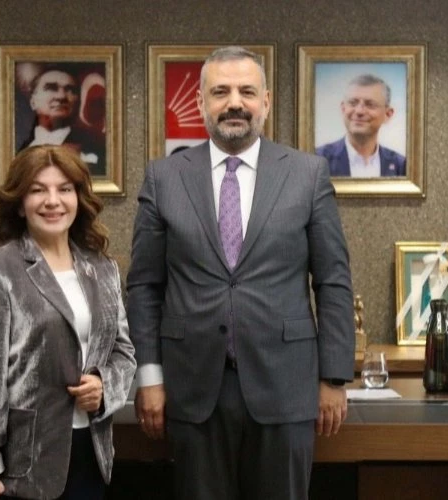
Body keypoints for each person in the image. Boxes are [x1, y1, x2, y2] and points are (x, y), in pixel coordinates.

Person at [127, 46, 355, 500]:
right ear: (201, 102)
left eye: (247, 92)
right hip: (192, 389)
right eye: (221, 92)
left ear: (265, 101)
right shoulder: (164, 177)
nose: (235, 102)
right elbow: (144, 286)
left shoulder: (308, 174)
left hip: (286, 386)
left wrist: (333, 379)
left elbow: (333, 281)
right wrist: (149, 377)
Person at [0, 145, 136, 500]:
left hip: (91, 450)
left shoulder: (103, 269)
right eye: (38, 190)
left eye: (64, 189)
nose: (52, 201)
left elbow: (123, 352)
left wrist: (104, 386)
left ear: (78, 199)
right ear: (20, 203)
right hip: (24, 464)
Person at [17, 65, 106, 176]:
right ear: (33, 102)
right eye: (51, 88)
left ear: (78, 101)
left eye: (70, 90)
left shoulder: (94, 150)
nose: (61, 96)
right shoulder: (19, 151)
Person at [316, 73, 406, 177]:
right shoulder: (317, 161)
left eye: (370, 104)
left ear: (387, 114)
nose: (359, 111)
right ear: (343, 109)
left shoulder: (401, 166)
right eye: (353, 103)